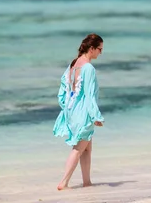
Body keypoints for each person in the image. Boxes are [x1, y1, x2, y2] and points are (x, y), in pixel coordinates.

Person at [53, 33, 105, 190]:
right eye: (100, 49)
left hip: (71, 110)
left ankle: (87, 182)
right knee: (78, 149)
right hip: (83, 113)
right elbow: (89, 95)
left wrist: (67, 107)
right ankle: (64, 182)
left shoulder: (73, 64)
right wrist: (96, 115)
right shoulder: (88, 68)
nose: (100, 53)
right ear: (91, 48)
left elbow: (63, 90)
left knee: (87, 148)